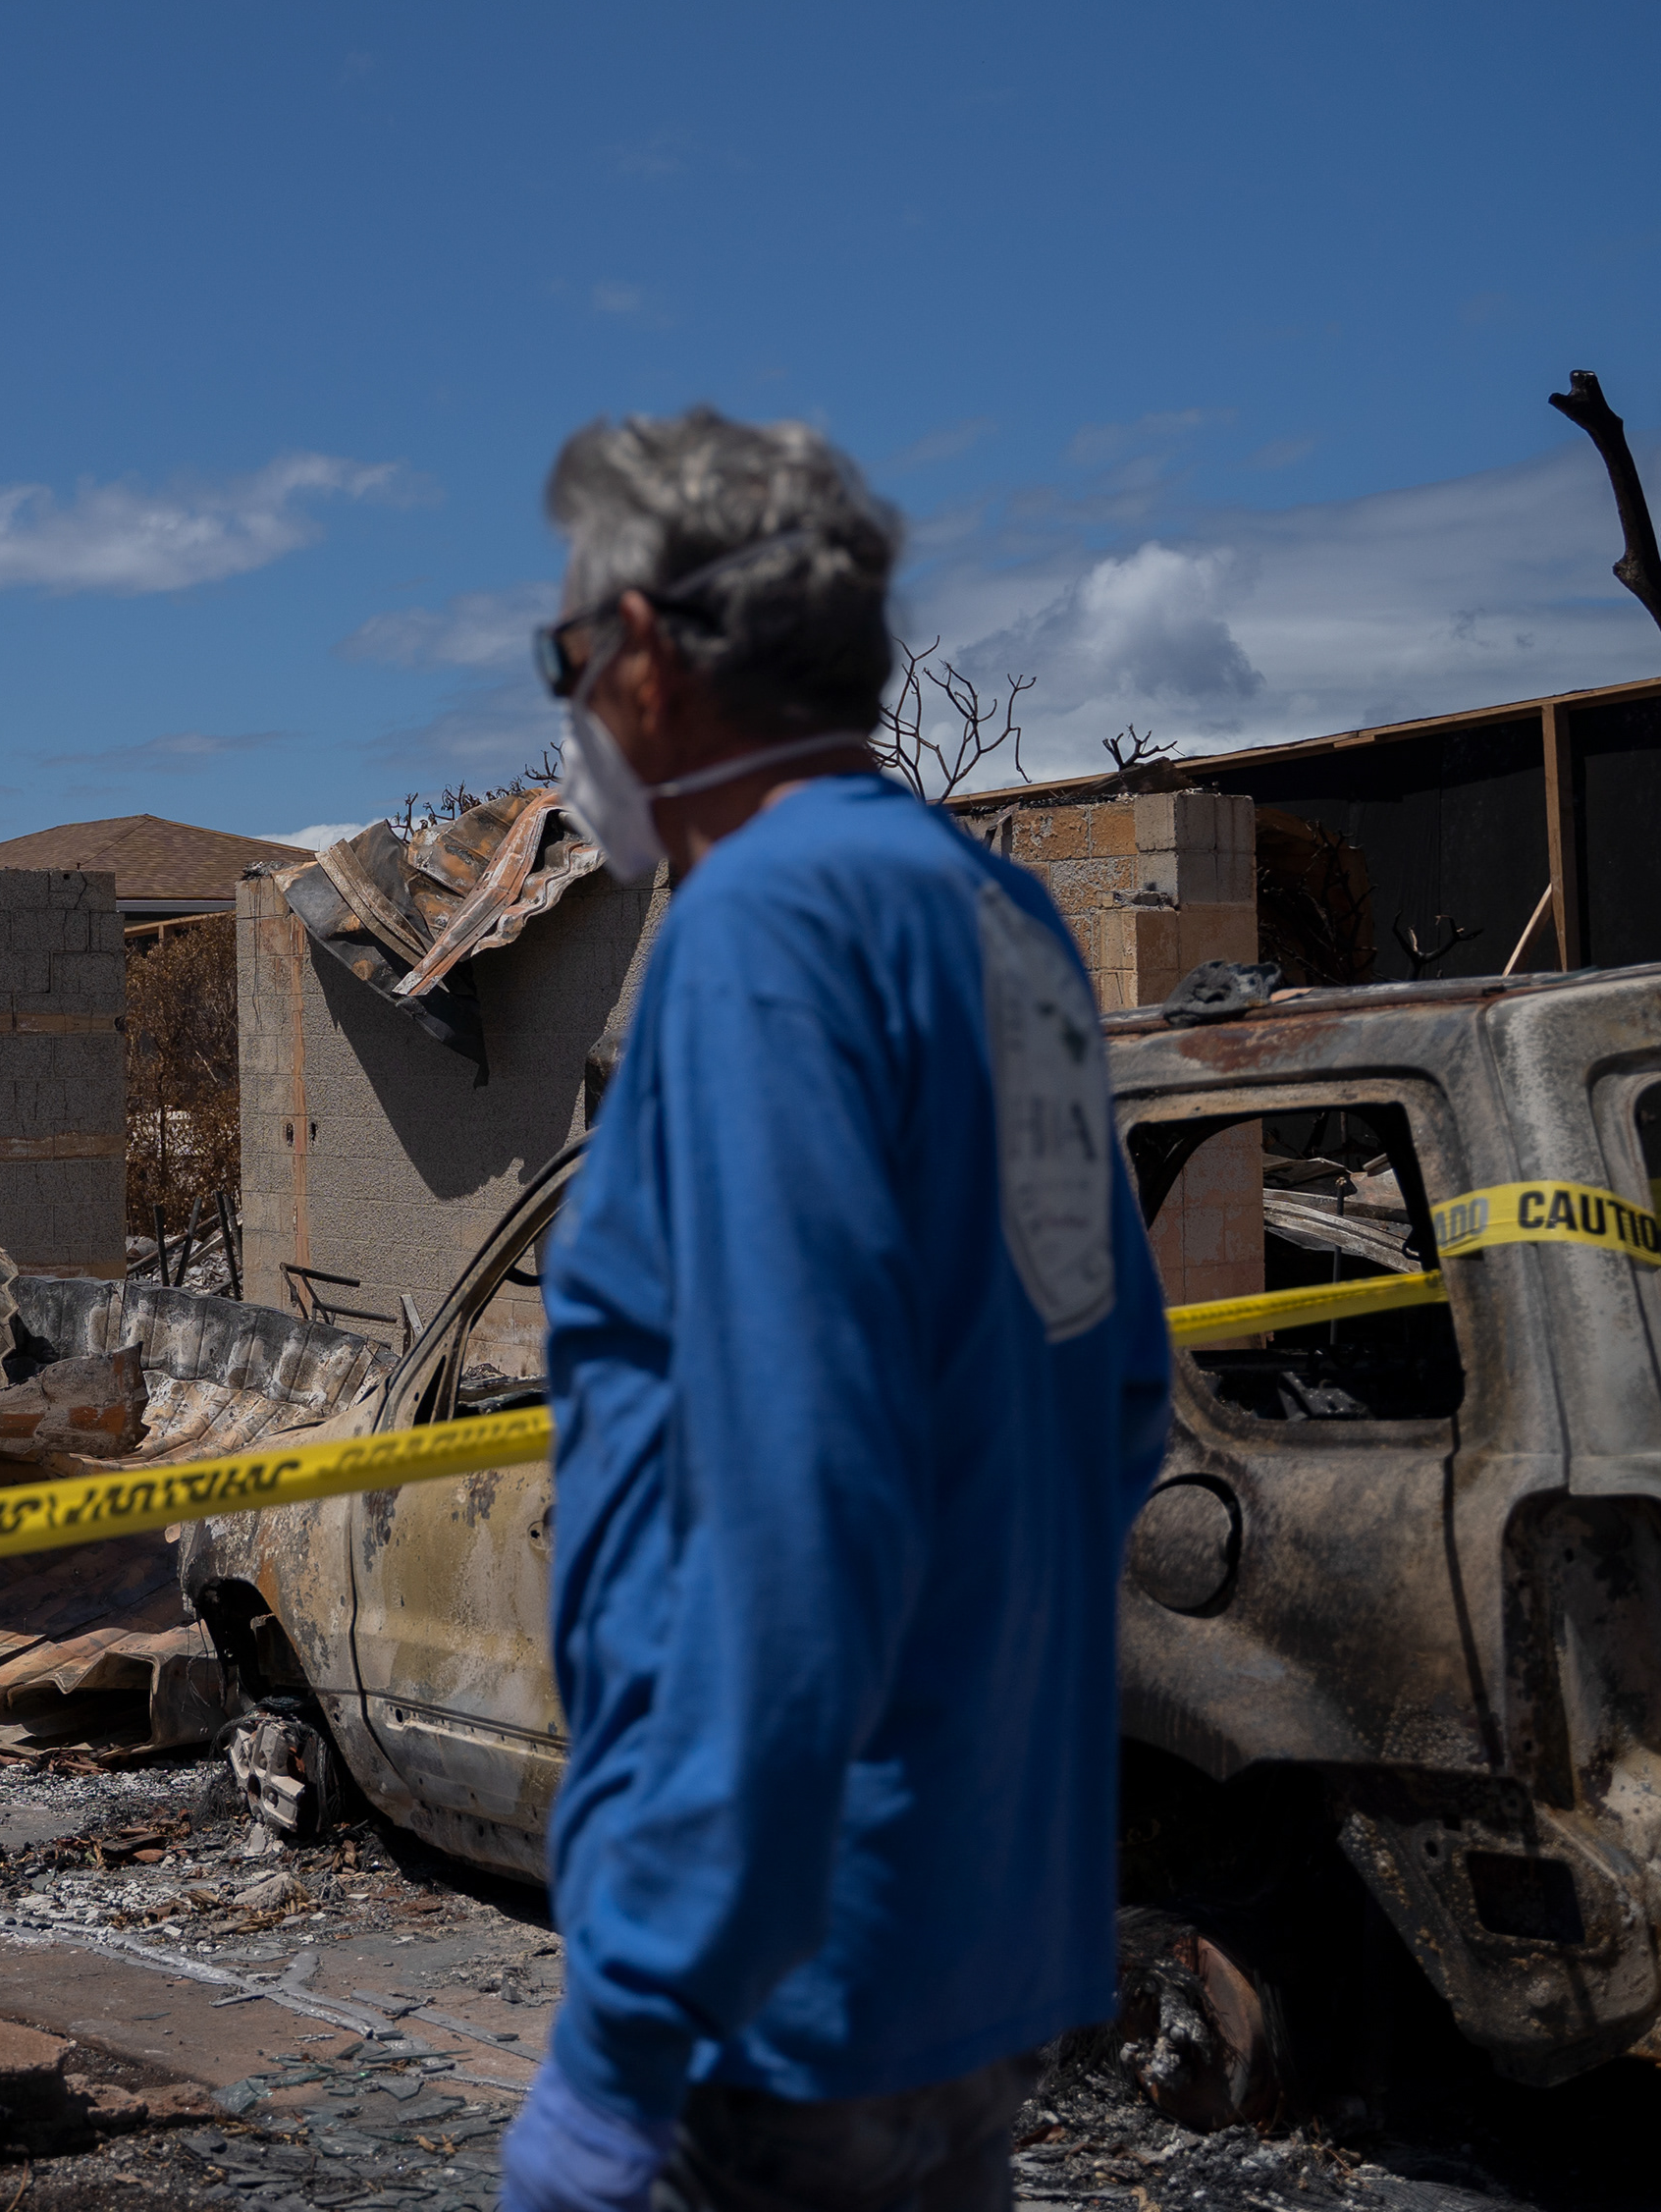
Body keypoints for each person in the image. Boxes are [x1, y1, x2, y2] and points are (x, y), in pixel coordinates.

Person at [498, 409, 1172, 2212]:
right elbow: (1117, 1406)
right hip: (972, 1926)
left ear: (645, 650)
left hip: (780, 1986)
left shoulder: (758, 931)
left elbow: (795, 1514)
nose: (571, 707)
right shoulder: (1001, 919)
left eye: (567, 656)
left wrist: (632, 2019)